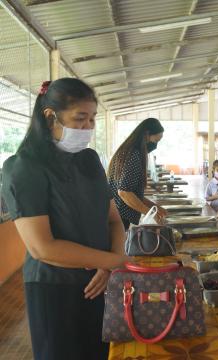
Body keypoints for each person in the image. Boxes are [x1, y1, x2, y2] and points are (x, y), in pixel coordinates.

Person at [1, 78, 128, 360]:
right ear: (50, 117)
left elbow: (114, 221)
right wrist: (116, 262)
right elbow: (42, 248)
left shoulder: (89, 161)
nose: (89, 127)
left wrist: (109, 266)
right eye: (80, 118)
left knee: (103, 352)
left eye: (93, 118)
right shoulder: (23, 168)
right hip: (55, 289)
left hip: (102, 280)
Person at [108, 118, 167, 230]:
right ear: (146, 134)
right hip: (119, 218)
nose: (156, 145)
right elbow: (124, 192)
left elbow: (134, 193)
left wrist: (154, 207)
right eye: (156, 141)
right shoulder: (133, 154)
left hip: (117, 216)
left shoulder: (128, 151)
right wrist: (150, 213)